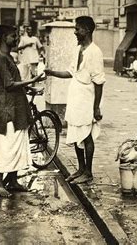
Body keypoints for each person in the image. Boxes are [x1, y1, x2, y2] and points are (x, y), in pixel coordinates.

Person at [45, 16, 105, 184]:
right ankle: (80, 168)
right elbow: (70, 73)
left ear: (86, 30)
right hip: (75, 98)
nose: (75, 32)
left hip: (87, 99)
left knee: (86, 136)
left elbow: (99, 82)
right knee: (75, 133)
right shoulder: (78, 50)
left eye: (77, 29)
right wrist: (51, 72)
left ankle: (88, 172)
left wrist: (97, 108)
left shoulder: (95, 52)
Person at [0, 24, 40, 198]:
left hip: (16, 107)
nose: (16, 39)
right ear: (4, 37)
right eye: (13, 36)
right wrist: (31, 81)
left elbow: (14, 82)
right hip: (7, 109)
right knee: (7, 146)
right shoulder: (1, 58)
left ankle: (12, 180)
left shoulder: (8, 57)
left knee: (18, 144)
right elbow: (9, 84)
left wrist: (28, 88)